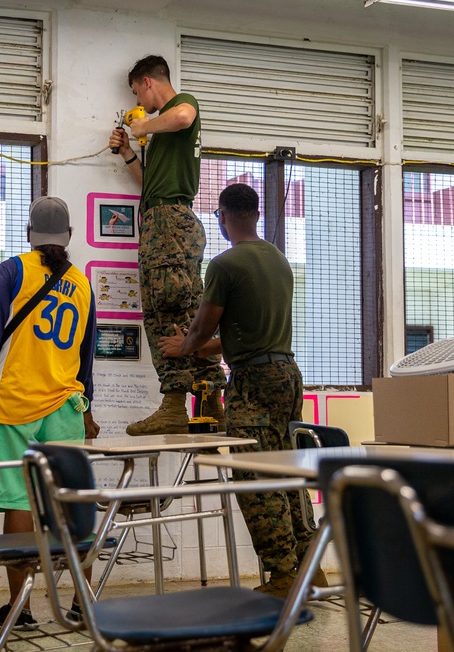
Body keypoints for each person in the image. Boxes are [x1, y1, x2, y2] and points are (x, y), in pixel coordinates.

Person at [170, 183, 325, 598]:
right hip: (287, 375)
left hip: (253, 382)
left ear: (221, 216)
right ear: (256, 214)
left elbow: (204, 328)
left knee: (254, 476)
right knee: (287, 472)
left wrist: (181, 347)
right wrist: (202, 344)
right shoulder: (279, 260)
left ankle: (283, 574)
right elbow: (241, 335)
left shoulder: (224, 265)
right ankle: (310, 564)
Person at [0, 196, 100, 630]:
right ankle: (82, 604)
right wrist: (88, 409)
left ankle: (21, 612)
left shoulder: (14, 269)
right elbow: (85, 356)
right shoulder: (83, 282)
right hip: (67, 406)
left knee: (18, 500)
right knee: (72, 500)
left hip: (15, 402)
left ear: (29, 234)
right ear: (69, 236)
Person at [108, 54, 225, 436]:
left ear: (146, 82)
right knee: (169, 308)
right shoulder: (161, 136)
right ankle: (189, 402)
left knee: (175, 306)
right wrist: (128, 151)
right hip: (161, 218)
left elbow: (184, 116)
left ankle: (194, 400)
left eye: (136, 92)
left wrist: (144, 124)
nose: (136, 102)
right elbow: (150, 183)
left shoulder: (179, 106)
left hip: (170, 222)